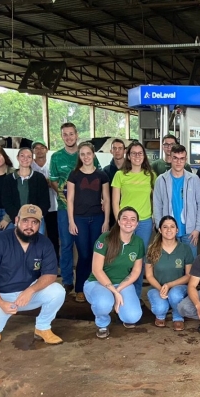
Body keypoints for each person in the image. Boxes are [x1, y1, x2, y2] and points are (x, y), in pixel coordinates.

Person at [0, 204, 65, 346]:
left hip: (28, 293)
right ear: (16, 220)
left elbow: (50, 274)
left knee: (58, 291)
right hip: (1, 294)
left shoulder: (44, 243)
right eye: (25, 221)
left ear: (39, 224)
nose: (29, 226)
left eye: (34, 222)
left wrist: (31, 290)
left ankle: (42, 327)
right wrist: (1, 303)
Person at [49, 123, 100, 295]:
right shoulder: (56, 157)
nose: (69, 137)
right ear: (62, 136)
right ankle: (67, 280)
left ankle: (90, 279)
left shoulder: (85, 154)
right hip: (65, 207)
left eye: (71, 134)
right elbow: (54, 181)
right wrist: (64, 195)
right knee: (66, 244)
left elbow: (97, 178)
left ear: (77, 135)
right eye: (65, 134)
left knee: (87, 248)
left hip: (87, 211)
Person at [84, 207, 145, 337]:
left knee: (133, 317)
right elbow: (97, 269)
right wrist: (115, 292)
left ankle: (122, 311)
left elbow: (136, 271)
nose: (128, 222)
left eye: (133, 219)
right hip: (98, 282)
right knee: (103, 303)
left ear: (137, 224)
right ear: (118, 221)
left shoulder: (138, 242)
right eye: (125, 218)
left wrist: (119, 289)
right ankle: (102, 323)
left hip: (122, 283)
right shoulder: (105, 238)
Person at [67, 142, 111, 302]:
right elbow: (70, 199)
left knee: (96, 255)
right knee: (84, 254)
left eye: (88, 153)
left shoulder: (102, 176)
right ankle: (80, 288)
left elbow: (106, 199)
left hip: (98, 218)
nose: (86, 157)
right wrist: (71, 221)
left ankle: (97, 287)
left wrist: (106, 220)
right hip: (80, 219)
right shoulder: (74, 175)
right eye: (82, 154)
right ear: (79, 156)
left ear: (93, 155)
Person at [111, 141, 155, 298]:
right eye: (134, 153)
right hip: (125, 223)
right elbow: (115, 201)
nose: (137, 156)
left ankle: (135, 296)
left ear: (144, 156)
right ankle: (120, 291)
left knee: (139, 259)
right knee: (122, 257)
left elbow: (155, 198)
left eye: (140, 153)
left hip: (144, 222)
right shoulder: (120, 175)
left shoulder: (150, 175)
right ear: (128, 156)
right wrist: (119, 222)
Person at [153, 144, 200, 257]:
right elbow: (157, 206)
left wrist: (197, 229)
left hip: (190, 232)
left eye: (182, 158)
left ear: (185, 160)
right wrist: (160, 227)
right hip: (168, 231)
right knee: (171, 265)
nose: (178, 162)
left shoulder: (194, 179)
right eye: (175, 158)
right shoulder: (161, 180)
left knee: (190, 265)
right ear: (170, 158)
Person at [145, 216, 194, 330]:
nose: (169, 230)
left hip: (178, 287)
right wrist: (161, 288)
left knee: (174, 295)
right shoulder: (152, 249)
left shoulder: (185, 249)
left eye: (172, 227)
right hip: (157, 287)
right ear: (160, 230)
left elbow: (188, 276)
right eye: (165, 227)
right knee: (160, 308)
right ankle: (161, 315)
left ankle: (178, 317)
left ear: (177, 230)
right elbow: (149, 275)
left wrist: (169, 285)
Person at [2, 147, 50, 235]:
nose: (25, 159)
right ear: (17, 158)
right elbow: (7, 201)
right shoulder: (9, 179)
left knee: (36, 246)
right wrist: (16, 216)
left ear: (32, 159)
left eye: (29, 157)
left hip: (35, 219)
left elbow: (45, 202)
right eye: (22, 156)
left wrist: (36, 217)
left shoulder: (39, 178)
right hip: (16, 218)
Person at [31, 139, 59, 262]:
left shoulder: (52, 164)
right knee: (37, 235)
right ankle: (37, 261)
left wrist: (51, 183)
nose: (39, 150)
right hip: (36, 208)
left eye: (42, 148)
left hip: (54, 205)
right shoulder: (30, 166)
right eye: (36, 148)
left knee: (54, 235)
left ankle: (55, 260)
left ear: (46, 149)